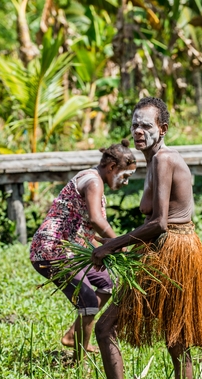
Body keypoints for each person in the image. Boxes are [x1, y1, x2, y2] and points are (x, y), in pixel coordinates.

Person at [92, 97, 202, 379]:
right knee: (174, 339)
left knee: (164, 336)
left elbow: (160, 222)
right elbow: (155, 224)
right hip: (162, 248)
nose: (138, 131)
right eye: (135, 125)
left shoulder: (163, 160)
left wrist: (112, 246)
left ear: (163, 128)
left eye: (146, 125)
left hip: (174, 251)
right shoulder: (152, 161)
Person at [30, 139, 136, 360]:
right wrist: (119, 243)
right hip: (52, 251)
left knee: (108, 283)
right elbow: (97, 220)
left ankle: (73, 334)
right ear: (112, 168)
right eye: (124, 176)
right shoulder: (93, 182)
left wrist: (108, 249)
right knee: (87, 301)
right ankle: (79, 363)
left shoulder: (94, 182)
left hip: (71, 251)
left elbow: (89, 230)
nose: (125, 182)